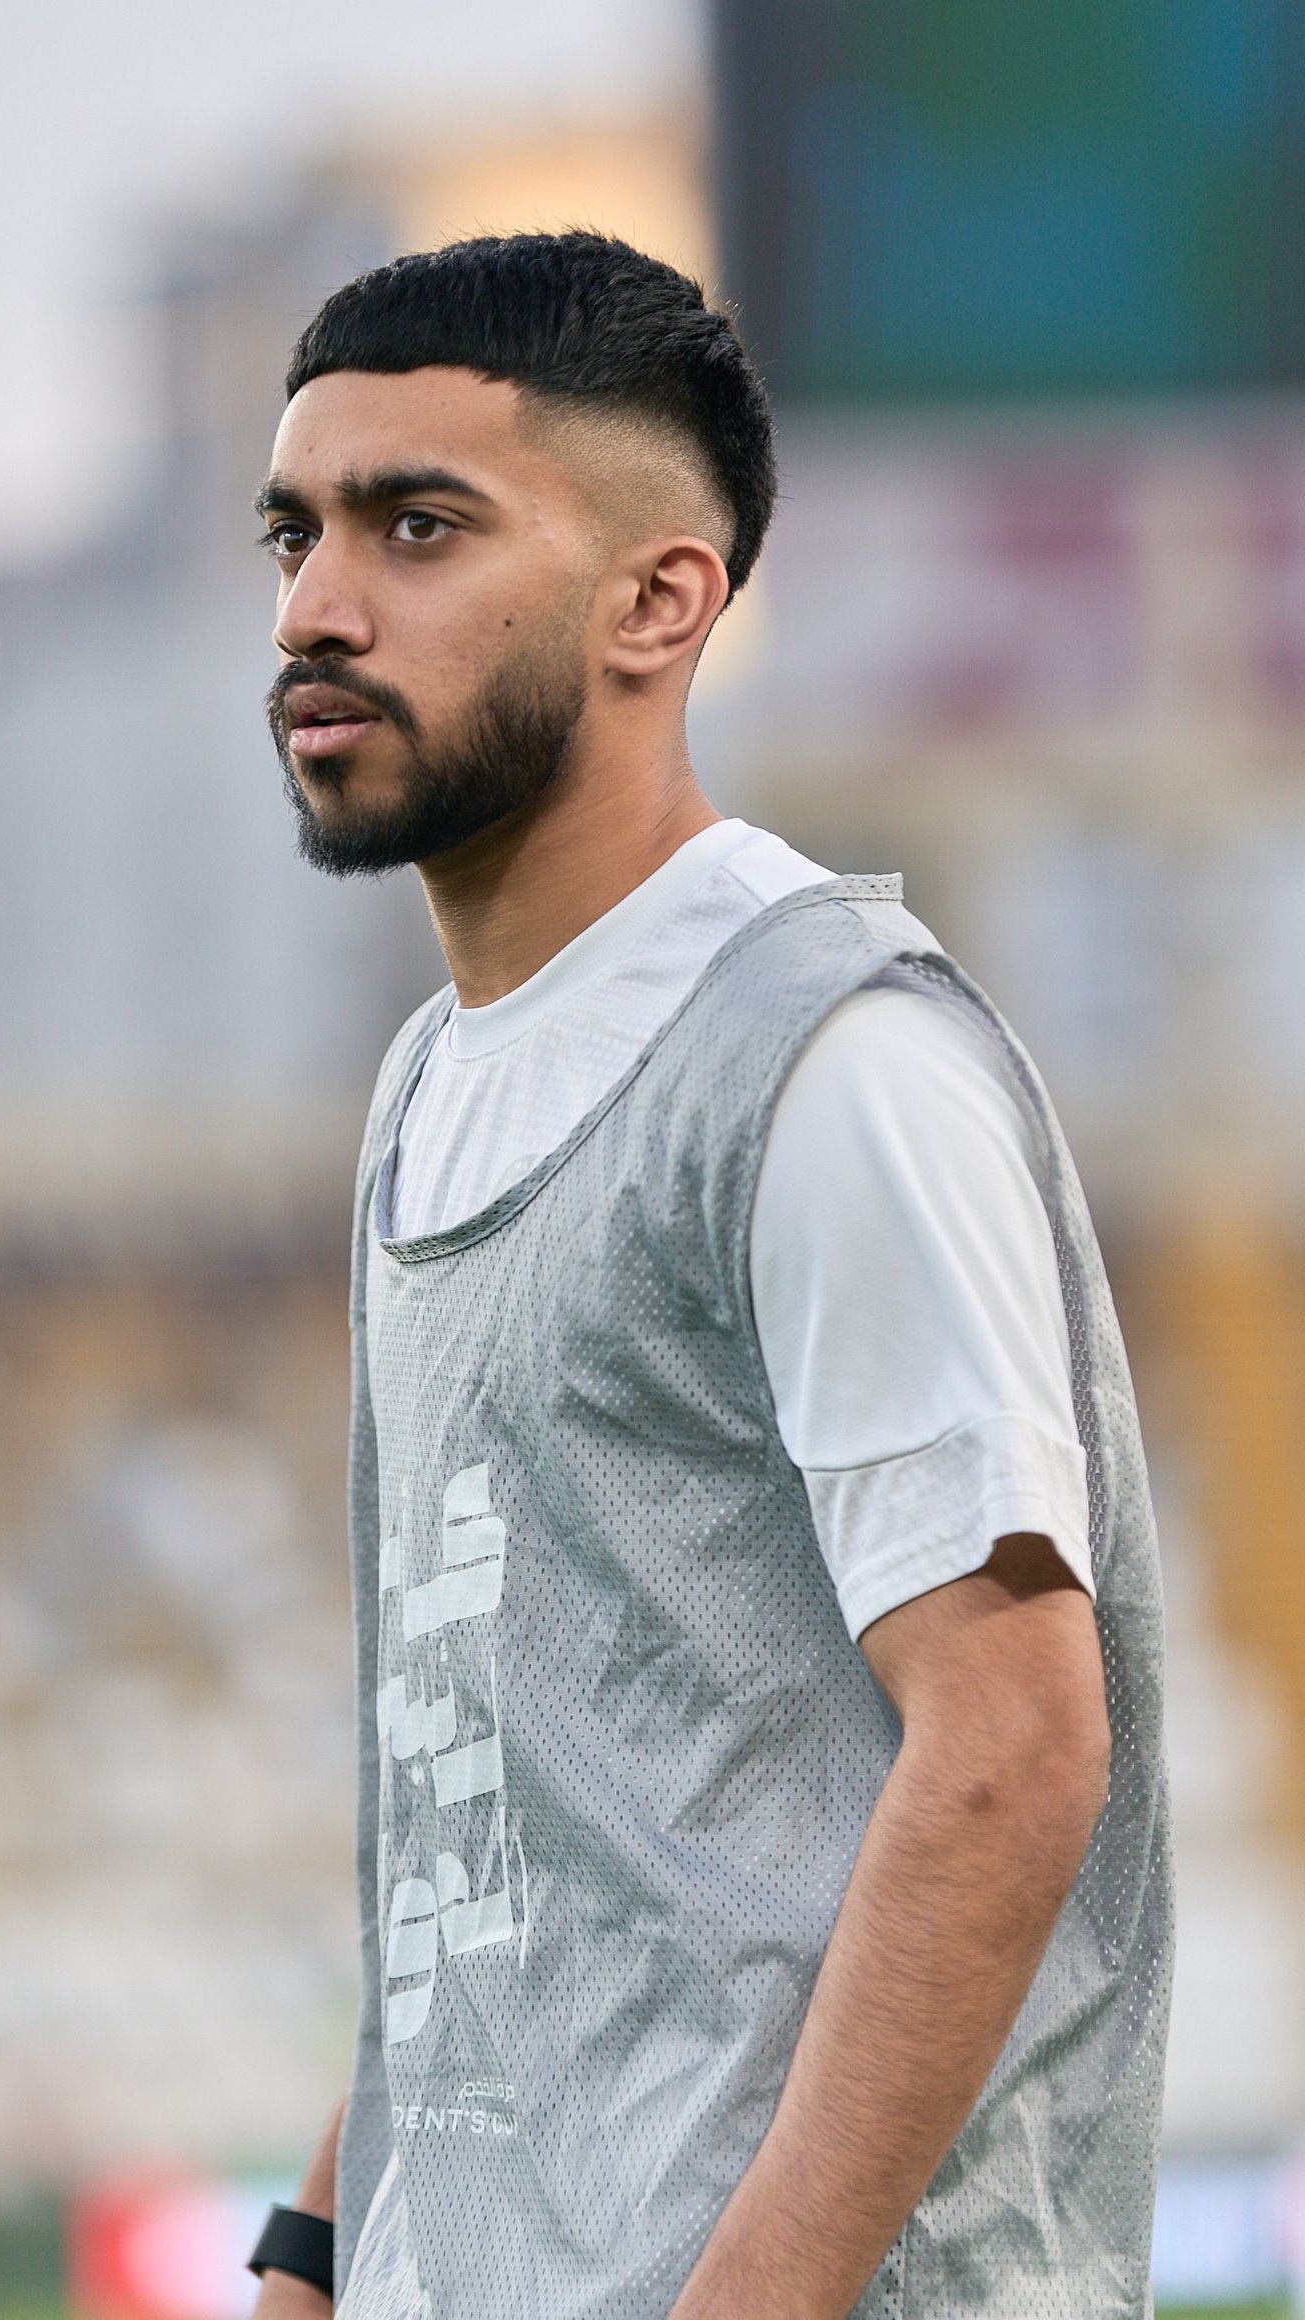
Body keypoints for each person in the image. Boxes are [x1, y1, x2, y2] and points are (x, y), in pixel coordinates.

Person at [245, 233, 1171, 2320]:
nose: (316, 608)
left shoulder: (827, 1062)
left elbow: (1013, 1751)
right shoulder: (432, 1085)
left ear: (658, 602)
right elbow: (493, 1818)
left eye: (417, 528)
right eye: (295, 534)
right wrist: (317, 2249)